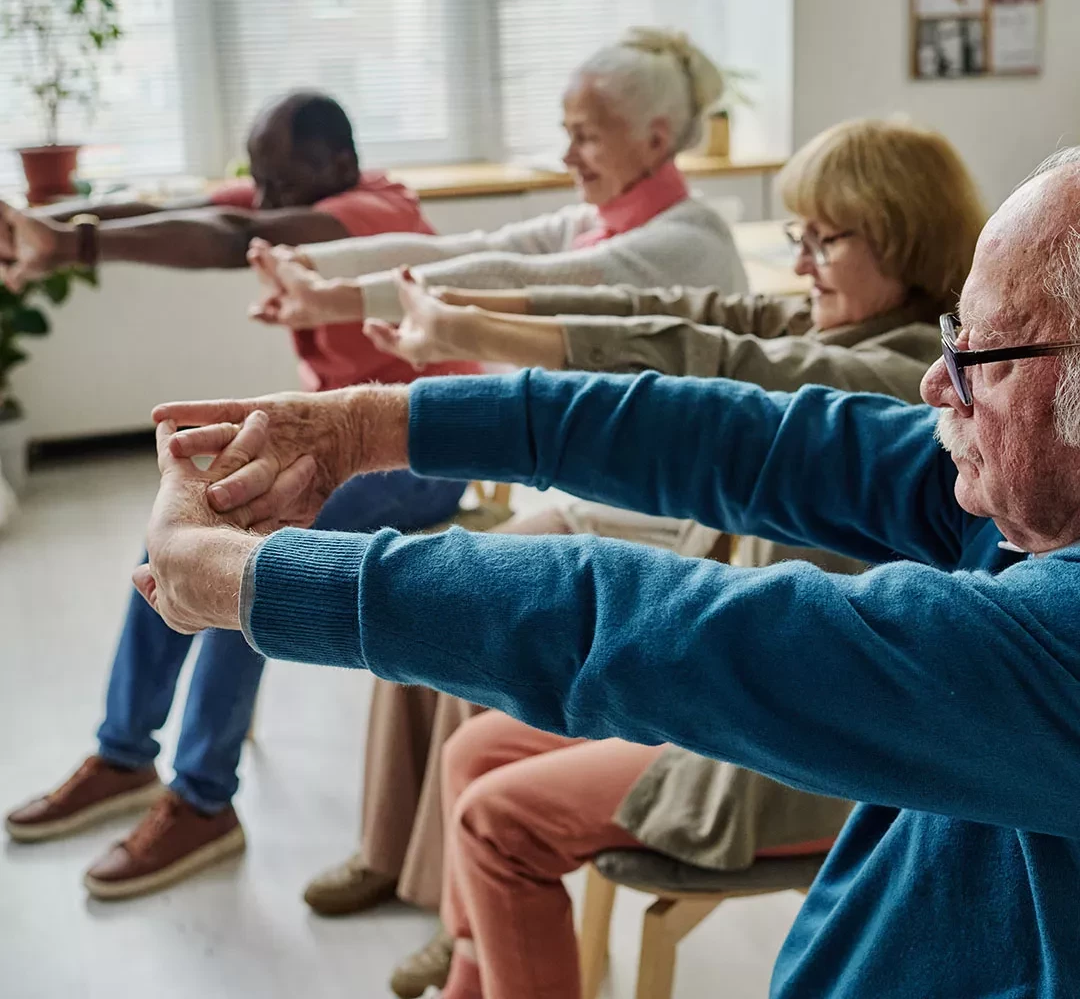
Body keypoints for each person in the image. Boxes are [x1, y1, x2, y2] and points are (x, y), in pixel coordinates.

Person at [142, 145, 1080, 998]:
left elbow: (650, 628)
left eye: (980, 354)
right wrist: (375, 427)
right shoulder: (1023, 499)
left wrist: (257, 581)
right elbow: (744, 441)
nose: (935, 381)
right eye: (949, 333)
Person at [371, 118, 985, 997]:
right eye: (796, 237)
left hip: (807, 744)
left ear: (905, 235)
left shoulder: (904, 371)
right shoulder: (849, 322)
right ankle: (479, 969)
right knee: (476, 751)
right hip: (743, 689)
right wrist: (467, 321)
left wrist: (473, 349)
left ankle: (486, 957)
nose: (802, 262)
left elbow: (718, 358)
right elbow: (685, 316)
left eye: (827, 239)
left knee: (495, 819)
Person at [244, 26, 749, 919]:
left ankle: (456, 904)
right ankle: (392, 850)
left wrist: (334, 296)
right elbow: (452, 251)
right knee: (406, 601)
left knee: (457, 617)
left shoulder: (686, 241)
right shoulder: (599, 215)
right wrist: (316, 272)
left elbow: (520, 279)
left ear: (657, 139)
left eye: (585, 134)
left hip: (665, 530)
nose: (567, 154)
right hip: (593, 508)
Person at [2, 91, 475, 900]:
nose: (261, 199)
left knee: (238, 563)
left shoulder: (366, 216)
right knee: (171, 535)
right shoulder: (295, 194)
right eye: (254, 178)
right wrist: (56, 224)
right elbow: (172, 206)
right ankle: (124, 754)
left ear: (337, 166)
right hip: (339, 436)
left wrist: (75, 242)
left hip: (423, 450)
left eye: (277, 180)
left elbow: (226, 239)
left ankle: (203, 800)